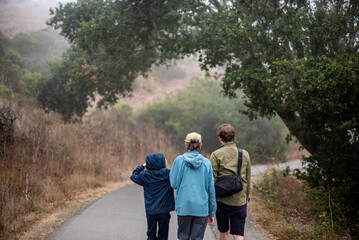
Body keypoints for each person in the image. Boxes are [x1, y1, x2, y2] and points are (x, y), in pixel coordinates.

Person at [170, 132, 217, 240]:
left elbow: (173, 183)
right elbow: (211, 189)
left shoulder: (179, 161)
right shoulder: (207, 163)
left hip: (184, 206)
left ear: (186, 144)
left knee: (183, 237)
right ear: (200, 145)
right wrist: (211, 211)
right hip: (201, 208)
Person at [210, 124, 251, 240]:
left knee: (223, 232)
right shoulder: (244, 154)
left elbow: (212, 181)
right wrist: (246, 198)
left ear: (220, 137)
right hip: (239, 200)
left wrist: (211, 201)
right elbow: (247, 179)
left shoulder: (215, 155)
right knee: (238, 234)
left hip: (222, 201)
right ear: (233, 136)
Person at [130, 152, 175, 240]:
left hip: (151, 211)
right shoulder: (168, 174)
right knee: (163, 235)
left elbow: (133, 176)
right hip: (164, 211)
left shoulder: (145, 176)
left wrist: (142, 166)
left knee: (151, 234)